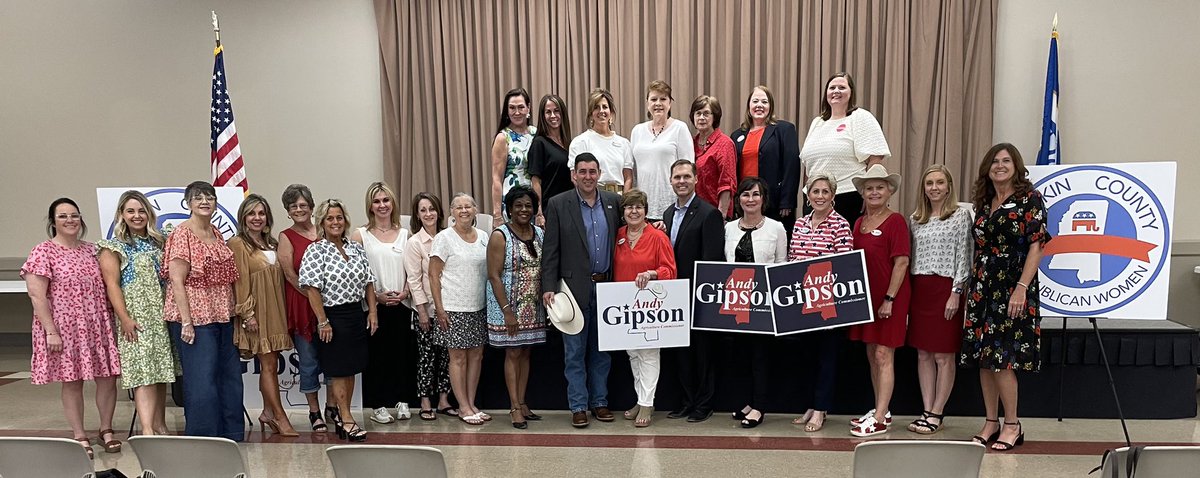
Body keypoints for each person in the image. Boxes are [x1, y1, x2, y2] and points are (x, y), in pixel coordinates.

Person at [961, 143, 1047, 451]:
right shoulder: (984, 203)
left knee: (1003, 360)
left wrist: (1022, 287)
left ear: (1016, 165)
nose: (1000, 165)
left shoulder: (1030, 199)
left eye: (1006, 160)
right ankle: (990, 421)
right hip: (983, 286)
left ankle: (1012, 424)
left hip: (1013, 286)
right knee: (985, 360)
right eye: (995, 161)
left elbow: (1037, 246)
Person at [23, 197, 122, 457]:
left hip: (97, 323)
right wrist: (51, 331)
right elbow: (37, 295)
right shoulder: (43, 251)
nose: (70, 220)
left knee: (108, 378)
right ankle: (79, 434)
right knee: (72, 380)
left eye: (74, 215)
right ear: (53, 221)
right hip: (64, 327)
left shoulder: (93, 250)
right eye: (63, 216)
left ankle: (106, 429)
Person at [541, 152, 622, 428]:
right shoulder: (558, 204)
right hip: (571, 291)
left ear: (599, 174)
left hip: (608, 288)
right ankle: (578, 405)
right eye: (582, 171)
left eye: (592, 171)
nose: (588, 176)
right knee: (574, 352)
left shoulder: (613, 202)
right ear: (574, 174)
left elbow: (628, 234)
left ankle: (599, 402)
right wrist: (548, 286)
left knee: (602, 351)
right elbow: (550, 250)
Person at [162, 181, 244, 441]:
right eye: (198, 198)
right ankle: (204, 437)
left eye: (209, 197)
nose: (205, 201)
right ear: (188, 203)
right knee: (202, 381)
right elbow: (176, 280)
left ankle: (231, 432)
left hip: (222, 314)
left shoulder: (217, 233)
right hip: (196, 319)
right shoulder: (181, 234)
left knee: (229, 376)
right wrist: (186, 322)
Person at [97, 190, 178, 437]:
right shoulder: (114, 247)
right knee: (144, 373)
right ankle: (146, 430)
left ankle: (160, 425)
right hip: (136, 317)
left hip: (162, 315)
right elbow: (112, 285)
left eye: (141, 210)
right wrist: (125, 318)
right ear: (121, 214)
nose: (137, 216)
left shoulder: (161, 240)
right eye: (131, 211)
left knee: (161, 371)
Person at [299, 199, 378, 442]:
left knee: (351, 368)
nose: (335, 222)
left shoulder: (355, 248)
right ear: (322, 222)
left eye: (339, 218)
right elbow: (311, 289)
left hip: (356, 314)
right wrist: (323, 321)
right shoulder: (316, 250)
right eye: (330, 218)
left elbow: (368, 281)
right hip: (333, 317)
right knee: (339, 370)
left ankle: (345, 416)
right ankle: (346, 419)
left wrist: (373, 312)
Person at [905, 165, 972, 435]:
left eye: (939, 182)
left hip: (946, 288)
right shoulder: (915, 219)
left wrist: (956, 292)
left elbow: (965, 256)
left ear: (948, 186)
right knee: (923, 353)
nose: (934, 187)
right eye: (929, 183)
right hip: (920, 288)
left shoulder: (960, 216)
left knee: (944, 355)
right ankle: (926, 409)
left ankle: (937, 411)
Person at [846, 166, 911, 437]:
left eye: (880, 187)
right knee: (872, 354)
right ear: (862, 192)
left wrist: (889, 298)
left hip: (889, 299)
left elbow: (902, 262)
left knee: (884, 354)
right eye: (869, 188)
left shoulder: (895, 221)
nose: (874, 192)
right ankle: (879, 409)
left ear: (889, 192)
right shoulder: (859, 223)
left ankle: (881, 417)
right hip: (865, 299)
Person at [786, 172, 854, 433]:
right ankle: (811, 405)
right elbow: (793, 261)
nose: (820, 196)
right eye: (816, 191)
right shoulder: (801, 224)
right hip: (803, 303)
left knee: (827, 357)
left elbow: (844, 265)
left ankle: (821, 408)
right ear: (808, 195)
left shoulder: (840, 225)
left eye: (826, 192)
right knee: (808, 357)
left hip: (828, 303)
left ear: (833, 196)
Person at [661, 159, 724, 422]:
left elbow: (712, 262)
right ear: (671, 180)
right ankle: (687, 401)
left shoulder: (709, 213)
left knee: (703, 353)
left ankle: (704, 403)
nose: (682, 181)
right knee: (681, 353)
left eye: (687, 176)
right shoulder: (666, 214)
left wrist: (703, 297)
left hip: (698, 296)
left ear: (696, 179)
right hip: (673, 296)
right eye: (677, 177)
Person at [229, 194, 298, 436]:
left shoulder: (272, 244)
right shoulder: (238, 244)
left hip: (276, 311)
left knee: (270, 363)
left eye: (261, 213)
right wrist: (247, 314)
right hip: (257, 314)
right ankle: (280, 417)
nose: (257, 218)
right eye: (252, 213)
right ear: (243, 218)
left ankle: (268, 412)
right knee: (268, 365)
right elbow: (240, 282)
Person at [725, 178, 789, 428]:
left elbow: (782, 265)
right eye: (745, 195)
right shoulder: (728, 228)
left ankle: (760, 406)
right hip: (737, 303)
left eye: (755, 194)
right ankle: (748, 402)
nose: (750, 199)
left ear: (763, 199)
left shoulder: (776, 228)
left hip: (765, 306)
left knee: (761, 357)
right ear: (738, 199)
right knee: (740, 356)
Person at [350, 182, 416, 425]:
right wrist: (375, 296)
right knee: (377, 357)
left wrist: (406, 291)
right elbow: (356, 274)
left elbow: (413, 270)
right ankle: (378, 404)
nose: (382, 205)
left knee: (401, 355)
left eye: (385, 200)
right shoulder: (360, 235)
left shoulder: (405, 234)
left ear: (393, 203)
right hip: (373, 307)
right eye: (377, 201)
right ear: (370, 205)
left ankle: (402, 400)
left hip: (401, 305)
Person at [612, 189, 677, 427]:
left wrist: (652, 273)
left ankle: (648, 404)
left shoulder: (658, 237)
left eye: (638, 207)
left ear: (646, 211)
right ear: (623, 212)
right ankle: (641, 399)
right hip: (625, 308)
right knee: (633, 355)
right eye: (629, 207)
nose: (634, 211)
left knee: (649, 354)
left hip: (650, 306)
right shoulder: (618, 235)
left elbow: (670, 271)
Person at [485, 186, 547, 429]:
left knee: (525, 352)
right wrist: (507, 311)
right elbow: (494, 275)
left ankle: (523, 402)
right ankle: (513, 407)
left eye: (528, 205)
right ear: (509, 209)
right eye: (518, 205)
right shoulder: (500, 235)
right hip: (507, 306)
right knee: (513, 352)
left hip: (532, 305)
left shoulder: (539, 233)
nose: (524, 210)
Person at [277, 184, 334, 432]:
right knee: (309, 360)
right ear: (288, 212)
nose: (299, 210)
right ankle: (314, 412)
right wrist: (314, 299)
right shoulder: (285, 237)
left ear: (311, 208)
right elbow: (290, 275)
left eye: (303, 205)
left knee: (334, 359)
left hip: (332, 306)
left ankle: (333, 406)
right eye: (293, 207)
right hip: (302, 306)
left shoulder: (326, 231)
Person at [429, 193, 490, 425]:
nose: (464, 210)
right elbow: (433, 275)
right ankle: (462, 406)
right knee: (458, 358)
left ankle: (472, 403)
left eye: (468, 206)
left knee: (476, 355)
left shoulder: (484, 237)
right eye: (458, 207)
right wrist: (439, 309)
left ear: (475, 210)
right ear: (451, 212)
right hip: (453, 307)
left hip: (479, 306)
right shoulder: (444, 238)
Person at [799, 72, 892, 226]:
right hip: (815, 199)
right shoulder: (817, 122)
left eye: (842, 87)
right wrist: (807, 193)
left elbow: (875, 160)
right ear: (826, 93)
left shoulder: (860, 117)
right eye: (832, 87)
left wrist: (867, 194)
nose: (836, 91)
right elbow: (807, 164)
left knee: (846, 249)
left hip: (848, 196)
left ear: (851, 92)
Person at [404, 193, 456, 421]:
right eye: (423, 210)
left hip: (450, 307)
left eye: (432, 209)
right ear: (417, 214)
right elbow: (414, 280)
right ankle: (425, 402)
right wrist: (423, 311)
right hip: (425, 310)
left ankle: (444, 400)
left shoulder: (449, 237)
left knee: (447, 356)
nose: (428, 214)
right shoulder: (414, 243)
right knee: (426, 358)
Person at [730, 85, 801, 231]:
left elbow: (791, 166)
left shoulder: (784, 129)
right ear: (748, 106)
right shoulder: (737, 135)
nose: (759, 105)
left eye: (764, 102)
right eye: (755, 101)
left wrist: (786, 201)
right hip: (746, 202)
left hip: (774, 202)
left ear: (771, 106)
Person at [630, 80, 695, 221]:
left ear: (669, 103)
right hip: (642, 209)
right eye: (653, 99)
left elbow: (688, 170)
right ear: (647, 103)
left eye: (663, 99)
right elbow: (634, 173)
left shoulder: (680, 128)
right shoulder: (637, 131)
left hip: (672, 208)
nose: (658, 103)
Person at [568, 88, 634, 194]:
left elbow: (628, 178)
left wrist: (624, 203)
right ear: (591, 113)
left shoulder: (624, 143)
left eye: (605, 107)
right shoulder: (580, 142)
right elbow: (575, 178)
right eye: (596, 108)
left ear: (611, 112)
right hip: (592, 198)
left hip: (619, 199)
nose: (601, 111)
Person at [491, 87, 537, 221]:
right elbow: (496, 179)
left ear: (528, 108)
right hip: (512, 203)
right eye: (512, 108)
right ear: (507, 110)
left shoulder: (536, 133)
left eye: (521, 107)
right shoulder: (503, 138)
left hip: (534, 202)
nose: (517, 112)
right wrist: (497, 214)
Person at [529, 94, 574, 226]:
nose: (553, 115)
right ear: (543, 116)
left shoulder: (570, 144)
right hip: (550, 210)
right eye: (548, 112)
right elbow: (535, 181)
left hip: (570, 207)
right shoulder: (539, 143)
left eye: (556, 111)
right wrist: (539, 213)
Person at [690, 95, 737, 216]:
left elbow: (727, 184)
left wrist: (721, 216)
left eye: (706, 113)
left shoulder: (724, 144)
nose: (701, 118)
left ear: (714, 117)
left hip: (715, 212)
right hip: (694, 213)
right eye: (698, 113)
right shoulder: (690, 143)